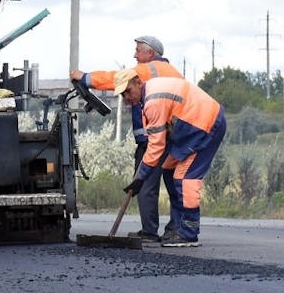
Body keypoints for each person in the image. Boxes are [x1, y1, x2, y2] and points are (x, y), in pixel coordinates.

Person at [70, 36, 182, 242]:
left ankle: (149, 231)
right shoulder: (174, 73)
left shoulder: (147, 70)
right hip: (174, 136)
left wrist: (85, 78)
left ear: (150, 53)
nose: (135, 55)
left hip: (152, 139)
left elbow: (115, 79)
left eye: (138, 50)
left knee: (146, 184)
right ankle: (175, 229)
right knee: (175, 185)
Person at [116, 67, 226, 247]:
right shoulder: (149, 94)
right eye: (122, 95)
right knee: (168, 168)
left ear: (138, 83)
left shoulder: (152, 101)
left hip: (206, 126)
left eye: (128, 91)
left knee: (185, 178)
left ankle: (189, 233)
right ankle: (177, 225)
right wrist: (142, 176)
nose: (127, 97)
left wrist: (141, 177)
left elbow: (156, 145)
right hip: (191, 129)